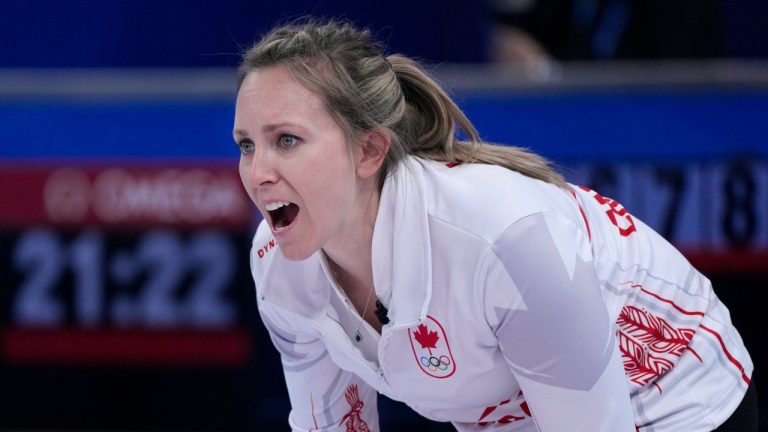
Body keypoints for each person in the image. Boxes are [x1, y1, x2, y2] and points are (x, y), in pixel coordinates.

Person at [233, 20, 756, 431]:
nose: (257, 174)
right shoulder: (277, 263)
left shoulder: (504, 240)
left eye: (287, 141)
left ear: (369, 150)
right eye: (247, 145)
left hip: (679, 402)